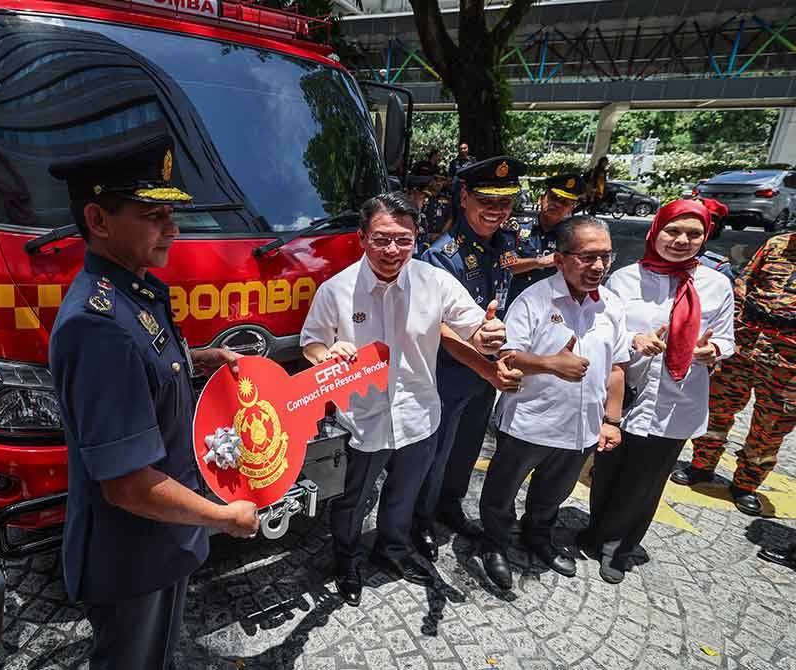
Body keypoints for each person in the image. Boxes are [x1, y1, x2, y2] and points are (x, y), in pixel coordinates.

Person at [47, 124, 260, 670]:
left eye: (171, 214)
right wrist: (222, 516)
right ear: (97, 220)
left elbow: (148, 373)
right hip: (132, 554)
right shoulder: (98, 325)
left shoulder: (131, 291)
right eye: (153, 216)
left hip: (162, 543)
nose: (174, 229)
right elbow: (128, 485)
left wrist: (199, 361)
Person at [300, 191, 507, 605]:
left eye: (403, 240)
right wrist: (328, 355)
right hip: (360, 416)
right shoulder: (337, 290)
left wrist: (488, 335)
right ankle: (346, 558)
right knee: (351, 499)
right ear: (361, 237)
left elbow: (473, 325)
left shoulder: (436, 282)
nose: (392, 250)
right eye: (381, 239)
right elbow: (311, 343)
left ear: (417, 239)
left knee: (405, 491)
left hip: (419, 412)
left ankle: (392, 548)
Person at [581, 199, 735, 583]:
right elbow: (604, 327)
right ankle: (594, 532)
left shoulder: (717, 285)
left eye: (693, 234)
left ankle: (620, 546)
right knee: (607, 470)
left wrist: (709, 350)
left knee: (647, 479)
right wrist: (634, 339)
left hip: (676, 398)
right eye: (673, 231)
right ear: (656, 230)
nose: (682, 240)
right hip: (626, 393)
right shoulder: (625, 279)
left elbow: (728, 340)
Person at [479, 216, 629, 590]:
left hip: (580, 428)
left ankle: (538, 536)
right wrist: (549, 364)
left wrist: (612, 420)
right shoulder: (534, 299)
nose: (597, 267)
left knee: (553, 494)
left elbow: (617, 368)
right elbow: (508, 357)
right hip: (529, 422)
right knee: (502, 492)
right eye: (586, 257)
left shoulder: (611, 305)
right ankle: (494, 543)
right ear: (560, 259)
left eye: (605, 258)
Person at [412, 157, 527, 559]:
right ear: (464, 198)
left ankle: (449, 504)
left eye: (505, 203)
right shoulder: (442, 256)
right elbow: (436, 328)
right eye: (486, 201)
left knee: (468, 447)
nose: (496, 211)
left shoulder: (504, 244)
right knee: (436, 451)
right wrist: (482, 358)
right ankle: (421, 519)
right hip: (449, 372)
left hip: (485, 374)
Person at [671, 232, 796, 516]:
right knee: (716, 409)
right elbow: (743, 285)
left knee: (770, 427)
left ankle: (746, 485)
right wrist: (731, 332)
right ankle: (702, 465)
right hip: (745, 348)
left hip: (788, 363)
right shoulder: (776, 244)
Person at [507, 173, 585, 305]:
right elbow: (505, 267)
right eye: (553, 198)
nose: (557, 204)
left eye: (565, 202)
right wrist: (538, 262)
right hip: (514, 300)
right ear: (541, 199)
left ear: (571, 208)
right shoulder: (515, 227)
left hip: (552, 306)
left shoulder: (573, 237)